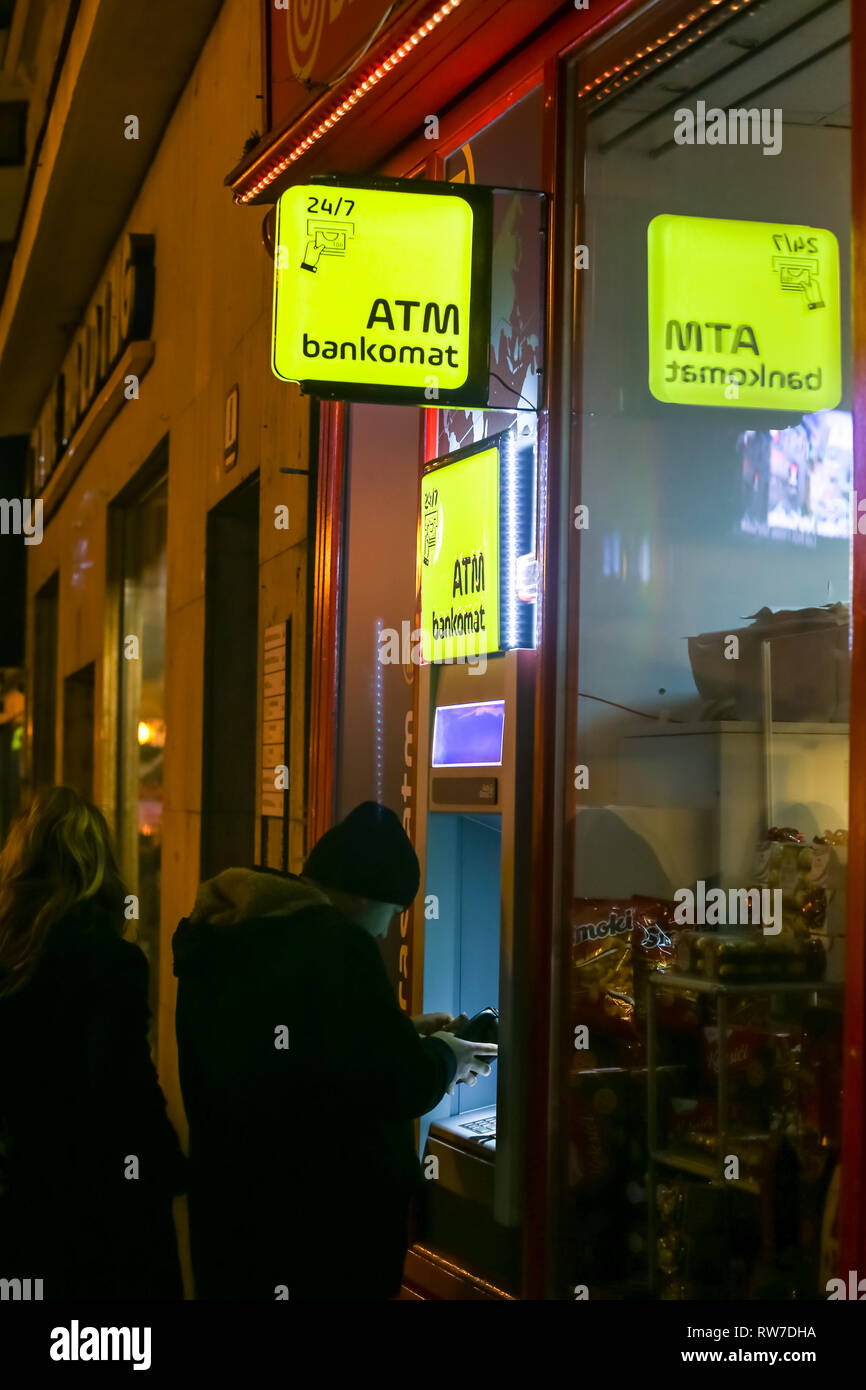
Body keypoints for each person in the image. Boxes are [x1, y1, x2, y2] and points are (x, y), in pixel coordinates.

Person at [173, 801, 496, 1300]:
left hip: (236, 1225)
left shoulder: (234, 934)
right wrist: (448, 1056)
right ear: (367, 895)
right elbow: (396, 1082)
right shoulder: (334, 946)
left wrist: (400, 1031)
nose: (388, 930)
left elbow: (303, 1050)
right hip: (320, 1241)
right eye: (392, 912)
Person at [0, 786, 186, 1299]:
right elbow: (125, 1089)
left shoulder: (8, 961)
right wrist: (169, 1167)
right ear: (95, 866)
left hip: (24, 1205)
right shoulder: (110, 963)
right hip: (102, 1216)